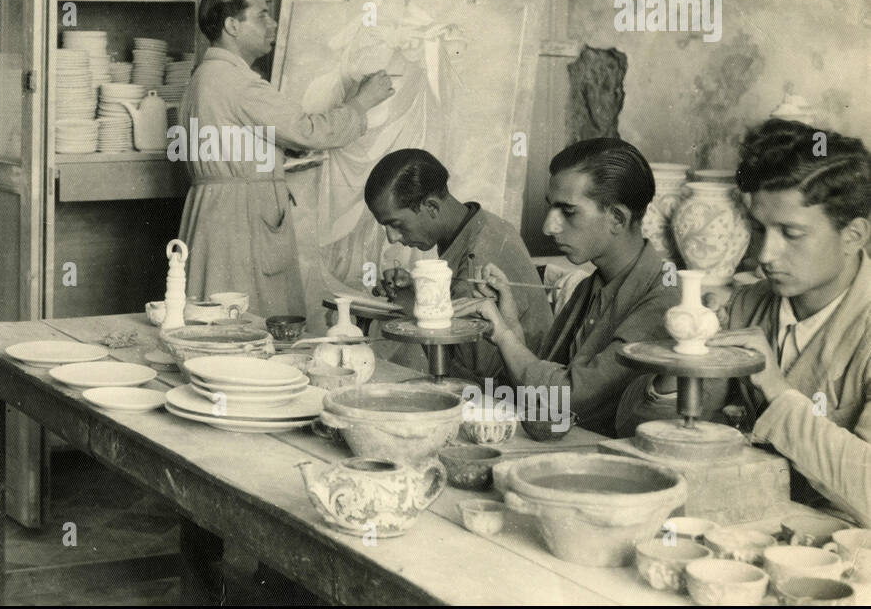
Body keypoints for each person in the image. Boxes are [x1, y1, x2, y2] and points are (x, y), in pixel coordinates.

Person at [616, 119, 871, 525]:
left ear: (854, 236)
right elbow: (637, 434)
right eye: (758, 230)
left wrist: (776, 389)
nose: (765, 256)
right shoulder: (747, 305)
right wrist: (683, 369)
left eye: (791, 233)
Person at [177, 0, 394, 316]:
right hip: (241, 214)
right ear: (232, 26)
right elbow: (309, 131)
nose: (273, 24)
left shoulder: (204, 76)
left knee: (216, 313)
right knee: (246, 317)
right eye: (262, 14)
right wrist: (362, 103)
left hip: (215, 209)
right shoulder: (239, 82)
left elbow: (241, 141)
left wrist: (286, 152)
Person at [452, 138, 679, 437]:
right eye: (551, 209)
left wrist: (505, 337)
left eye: (568, 211)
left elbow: (566, 398)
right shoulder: (591, 286)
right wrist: (513, 329)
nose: (548, 227)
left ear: (617, 218)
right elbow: (544, 387)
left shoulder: (665, 301)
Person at [303, 0, 462, 298]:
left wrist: (423, 44)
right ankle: (357, 266)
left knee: (401, 191)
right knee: (369, 191)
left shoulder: (421, 18)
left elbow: (438, 62)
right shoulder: (369, 16)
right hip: (373, 109)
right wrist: (386, 42)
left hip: (405, 110)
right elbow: (350, 60)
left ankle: (396, 269)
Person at [364, 148, 553, 378]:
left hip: (516, 397)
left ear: (431, 207)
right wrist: (418, 290)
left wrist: (415, 307)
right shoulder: (474, 226)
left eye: (396, 224)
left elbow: (472, 374)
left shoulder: (480, 256)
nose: (392, 237)